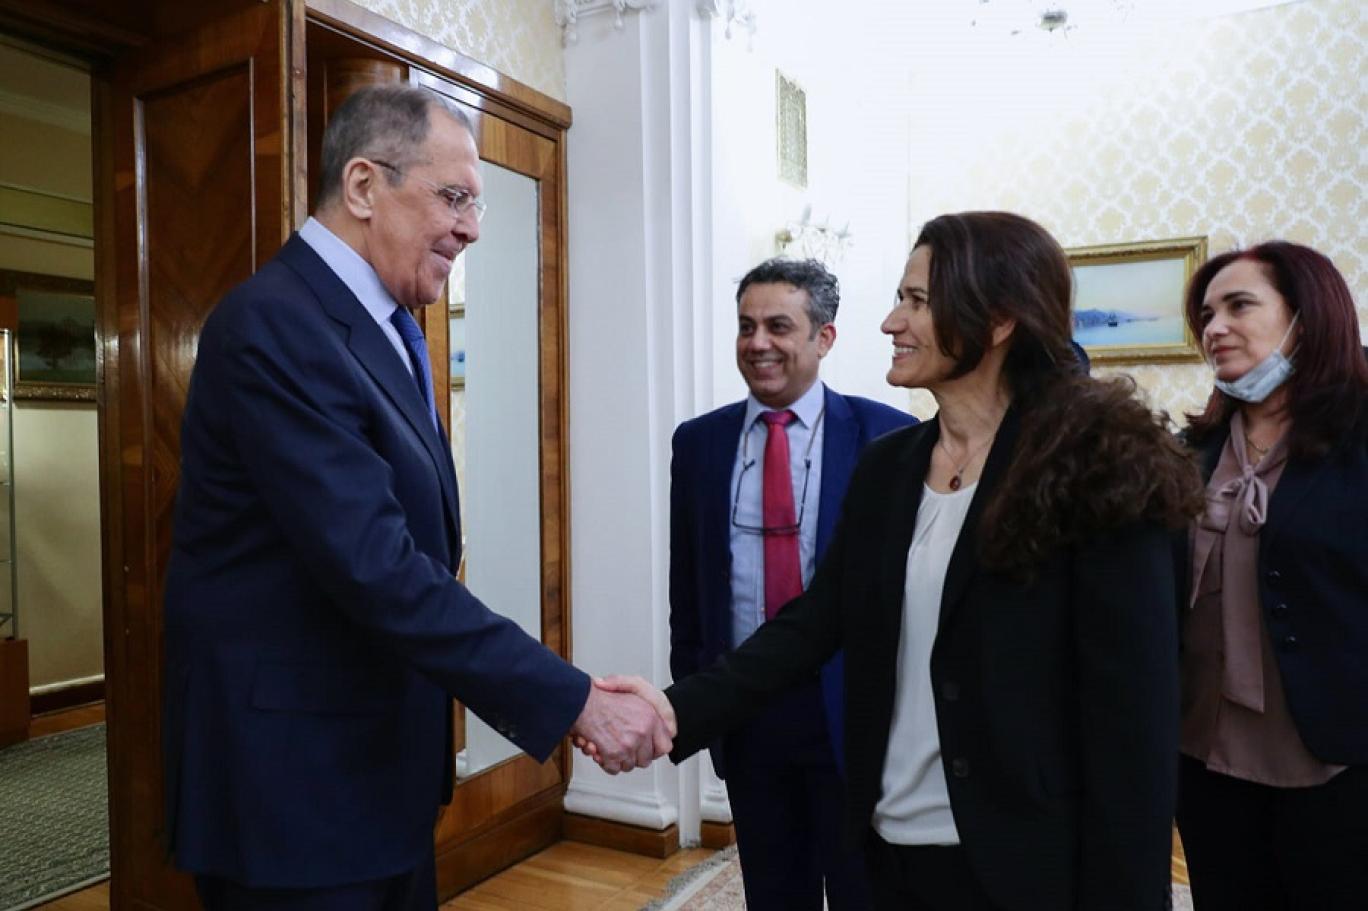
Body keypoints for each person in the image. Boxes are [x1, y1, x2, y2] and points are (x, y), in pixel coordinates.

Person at [594, 211, 1203, 910]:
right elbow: (813, 623)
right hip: (888, 845)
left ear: (997, 321)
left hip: (1020, 860)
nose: (891, 322)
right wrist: (675, 709)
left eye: (916, 301)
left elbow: (1133, 727)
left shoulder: (1098, 471)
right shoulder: (891, 466)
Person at [162, 84, 671, 911]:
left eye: (476, 204)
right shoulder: (276, 324)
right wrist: (573, 700)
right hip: (294, 795)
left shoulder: (384, 324)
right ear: (364, 186)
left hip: (374, 779)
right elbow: (378, 567)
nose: (472, 227)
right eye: (454, 196)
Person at [669, 258, 915, 910]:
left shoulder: (890, 439)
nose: (758, 343)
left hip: (853, 715)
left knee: (867, 893)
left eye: (778, 326)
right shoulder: (698, 444)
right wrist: (699, 698)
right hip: (748, 716)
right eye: (746, 326)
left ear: (823, 337)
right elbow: (688, 592)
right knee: (775, 895)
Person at [1174, 241, 1368, 910]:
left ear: (1306, 319)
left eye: (1239, 306)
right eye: (1206, 315)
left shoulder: (1359, 440)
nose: (1215, 328)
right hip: (1203, 755)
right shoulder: (1191, 451)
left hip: (1336, 757)